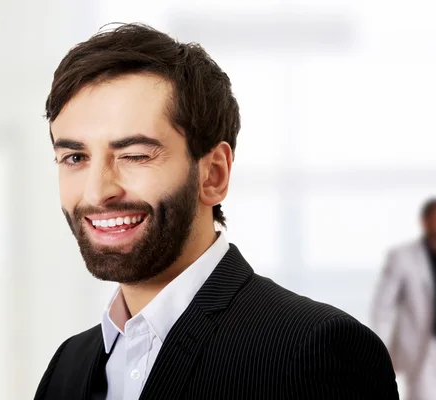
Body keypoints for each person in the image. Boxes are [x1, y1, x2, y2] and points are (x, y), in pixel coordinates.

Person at [34, 23, 399, 400]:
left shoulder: (315, 350)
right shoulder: (69, 365)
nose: (98, 190)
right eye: (75, 157)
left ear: (213, 174)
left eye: (135, 155)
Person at [372, 198, 436, 400]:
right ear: (425, 221)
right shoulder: (402, 257)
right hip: (423, 347)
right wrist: (378, 351)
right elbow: (383, 308)